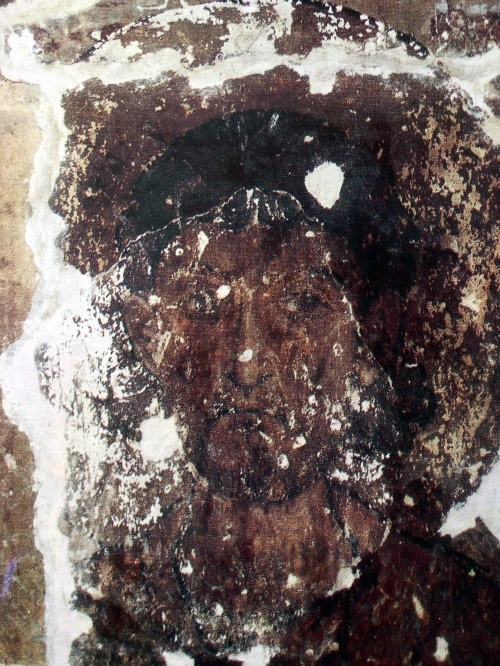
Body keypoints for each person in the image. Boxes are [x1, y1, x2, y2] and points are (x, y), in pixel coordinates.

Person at [69, 112, 499, 665]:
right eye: (202, 303)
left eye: (301, 303)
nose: (247, 365)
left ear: (365, 336)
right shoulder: (107, 614)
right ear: (148, 332)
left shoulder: (448, 607)